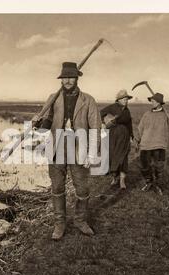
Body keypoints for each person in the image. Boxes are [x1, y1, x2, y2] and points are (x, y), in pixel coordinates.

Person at [32, 62, 101, 240]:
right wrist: (38, 123)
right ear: (61, 80)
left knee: (83, 189)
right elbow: (46, 124)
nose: (68, 81)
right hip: (57, 148)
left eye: (71, 77)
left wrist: (92, 153)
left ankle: (80, 220)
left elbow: (95, 128)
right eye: (65, 78)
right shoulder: (53, 98)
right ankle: (59, 224)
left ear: (77, 78)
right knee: (57, 187)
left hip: (79, 148)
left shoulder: (88, 100)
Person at [135, 92, 169, 195]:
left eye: (154, 101)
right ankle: (149, 182)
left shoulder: (166, 114)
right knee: (144, 166)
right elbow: (140, 128)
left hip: (159, 144)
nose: (152, 102)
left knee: (159, 167)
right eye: (151, 100)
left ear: (160, 103)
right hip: (146, 144)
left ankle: (158, 185)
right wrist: (137, 140)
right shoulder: (147, 114)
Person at [100, 89, 134, 189]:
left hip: (124, 135)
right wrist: (103, 123)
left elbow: (129, 124)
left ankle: (122, 180)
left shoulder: (127, 110)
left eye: (127, 99)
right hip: (113, 134)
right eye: (124, 99)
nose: (126, 101)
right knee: (112, 155)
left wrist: (131, 136)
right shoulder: (112, 107)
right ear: (118, 100)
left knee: (123, 156)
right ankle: (115, 177)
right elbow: (101, 112)